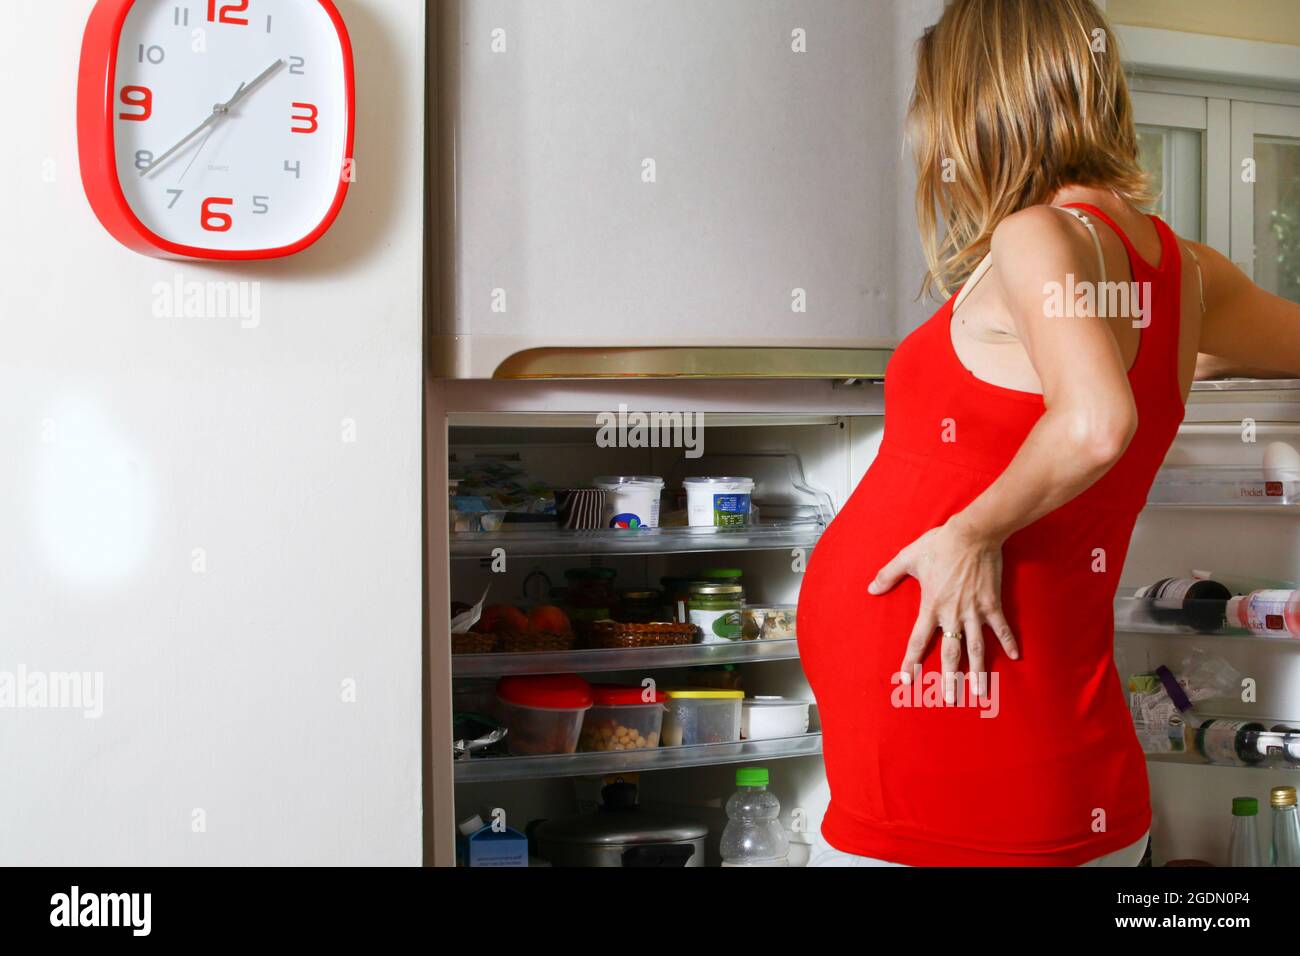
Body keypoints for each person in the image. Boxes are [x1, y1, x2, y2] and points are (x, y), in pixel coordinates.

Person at [797, 0, 1300, 866]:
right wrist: (1178, 366)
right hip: (1030, 723)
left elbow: (1098, 422)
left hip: (964, 728)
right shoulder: (1184, 269)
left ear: (980, 106)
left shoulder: (1034, 235)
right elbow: (1118, 382)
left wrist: (968, 533)